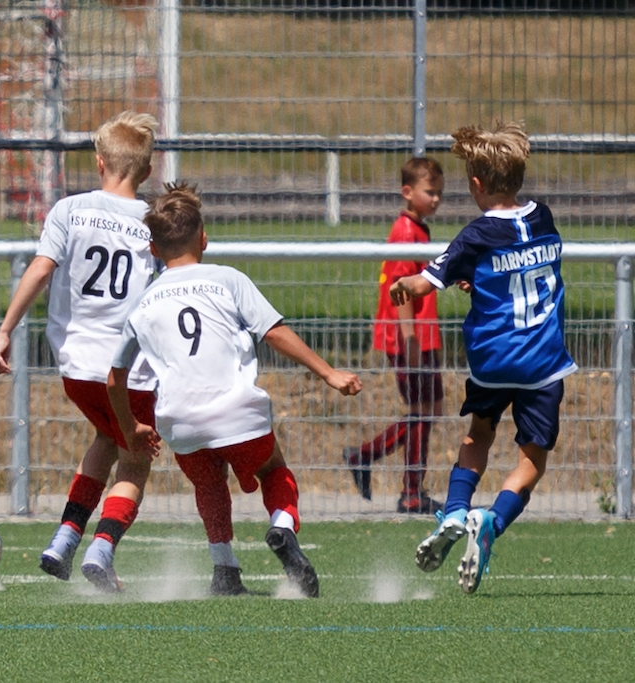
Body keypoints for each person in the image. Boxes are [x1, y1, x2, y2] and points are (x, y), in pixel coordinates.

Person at [0, 112, 234, 593]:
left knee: (107, 436)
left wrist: (5, 330)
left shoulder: (68, 210)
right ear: (147, 171)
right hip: (130, 372)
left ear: (99, 162)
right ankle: (101, 549)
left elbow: (40, 269)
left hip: (76, 368)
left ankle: (64, 538)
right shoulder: (151, 224)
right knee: (135, 459)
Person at [106, 182, 362, 598]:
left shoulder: (144, 302)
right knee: (273, 469)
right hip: (236, 411)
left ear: (153, 249)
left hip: (180, 421)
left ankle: (225, 569)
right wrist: (329, 373)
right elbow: (273, 333)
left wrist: (131, 426)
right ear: (204, 239)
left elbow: (115, 377)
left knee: (208, 484)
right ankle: (282, 528)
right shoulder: (228, 279)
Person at [391, 121, 577, 594]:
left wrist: (403, 284)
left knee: (479, 434)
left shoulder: (475, 235)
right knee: (532, 459)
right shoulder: (544, 218)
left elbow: (424, 282)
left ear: (476, 184)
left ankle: (454, 511)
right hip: (543, 361)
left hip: (493, 360)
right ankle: (492, 521)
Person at [344, 157, 446, 514]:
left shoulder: (419, 228)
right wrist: (410, 340)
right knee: (421, 410)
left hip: (423, 335)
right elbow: (401, 289)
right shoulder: (404, 231)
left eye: (440, 193)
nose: (436, 199)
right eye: (429, 192)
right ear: (407, 192)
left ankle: (372, 462)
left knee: (431, 409)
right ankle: (408, 490)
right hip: (408, 339)